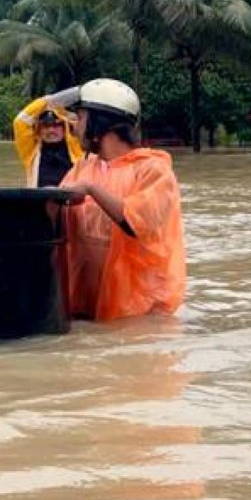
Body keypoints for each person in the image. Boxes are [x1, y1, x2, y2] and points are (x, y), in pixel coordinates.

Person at [56, 78, 186, 322]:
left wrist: (92, 189)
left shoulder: (153, 170)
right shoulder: (81, 170)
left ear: (100, 122)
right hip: (87, 309)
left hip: (140, 311)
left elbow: (136, 222)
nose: (75, 127)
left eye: (81, 117)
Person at [13, 90, 84, 187]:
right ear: (39, 129)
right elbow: (21, 121)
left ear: (64, 127)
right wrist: (49, 101)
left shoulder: (77, 148)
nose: (51, 130)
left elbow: (80, 121)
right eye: (46, 126)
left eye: (56, 125)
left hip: (70, 199)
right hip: (41, 199)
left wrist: (80, 92)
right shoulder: (32, 151)